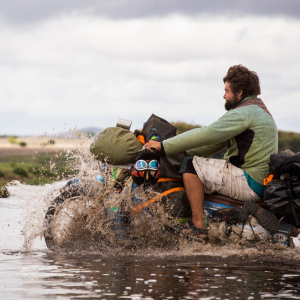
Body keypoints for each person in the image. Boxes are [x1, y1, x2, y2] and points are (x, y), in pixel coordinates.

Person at [144, 64, 278, 237]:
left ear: (240, 92)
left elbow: (207, 134)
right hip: (258, 182)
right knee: (190, 161)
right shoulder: (258, 110)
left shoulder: (245, 113)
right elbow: (213, 145)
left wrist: (164, 146)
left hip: (249, 182)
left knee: (191, 166)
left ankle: (198, 227)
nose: (224, 95)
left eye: (227, 91)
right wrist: (180, 153)